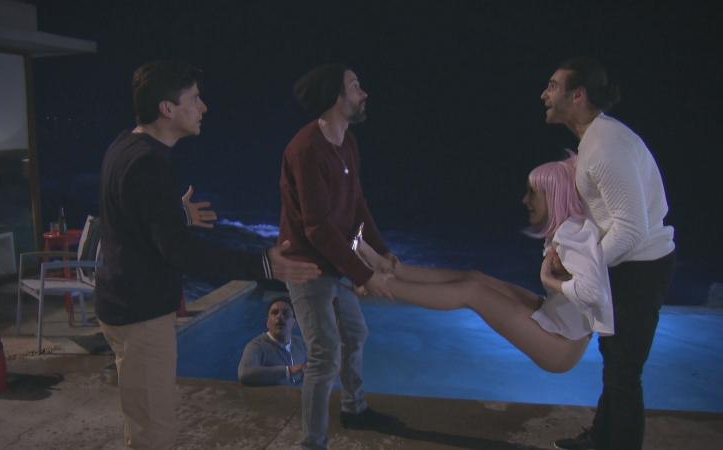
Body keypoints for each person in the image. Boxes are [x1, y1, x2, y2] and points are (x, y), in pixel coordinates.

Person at [95, 60, 321, 450]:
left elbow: (130, 214)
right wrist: (261, 264)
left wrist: (175, 214)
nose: (204, 107)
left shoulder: (125, 145)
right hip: (141, 317)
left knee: (143, 421)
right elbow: (181, 252)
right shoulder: (150, 163)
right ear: (167, 109)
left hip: (120, 304)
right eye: (195, 99)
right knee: (154, 435)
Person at [356, 155, 613, 374]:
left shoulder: (572, 240)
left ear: (554, 196)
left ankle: (377, 282)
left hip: (559, 348)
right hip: (553, 318)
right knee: (475, 278)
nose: (525, 200)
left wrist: (550, 278)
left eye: (533, 193)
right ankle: (392, 269)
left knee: (472, 292)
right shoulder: (568, 230)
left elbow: (595, 293)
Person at [541, 57, 676, 450]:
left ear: (578, 95)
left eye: (553, 86)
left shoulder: (605, 148)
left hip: (640, 270)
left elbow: (632, 229)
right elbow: (606, 218)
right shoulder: (596, 139)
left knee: (624, 372)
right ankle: (602, 438)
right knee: (616, 364)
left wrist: (585, 269)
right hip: (629, 266)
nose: (544, 94)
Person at [278, 63, 401, 449]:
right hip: (306, 266)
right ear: (336, 96)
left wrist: (381, 250)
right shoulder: (306, 149)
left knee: (355, 334)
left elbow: (357, 204)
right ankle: (312, 442)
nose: (364, 93)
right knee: (324, 354)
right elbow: (317, 228)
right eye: (355, 86)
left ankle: (354, 408)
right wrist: (366, 275)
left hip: (335, 261)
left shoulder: (347, 142)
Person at [238, 296, 307, 386]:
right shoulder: (256, 346)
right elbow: (244, 374)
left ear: (294, 323)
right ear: (267, 322)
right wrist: (288, 371)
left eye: (285, 313)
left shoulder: (301, 344)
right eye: (274, 313)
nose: (279, 316)